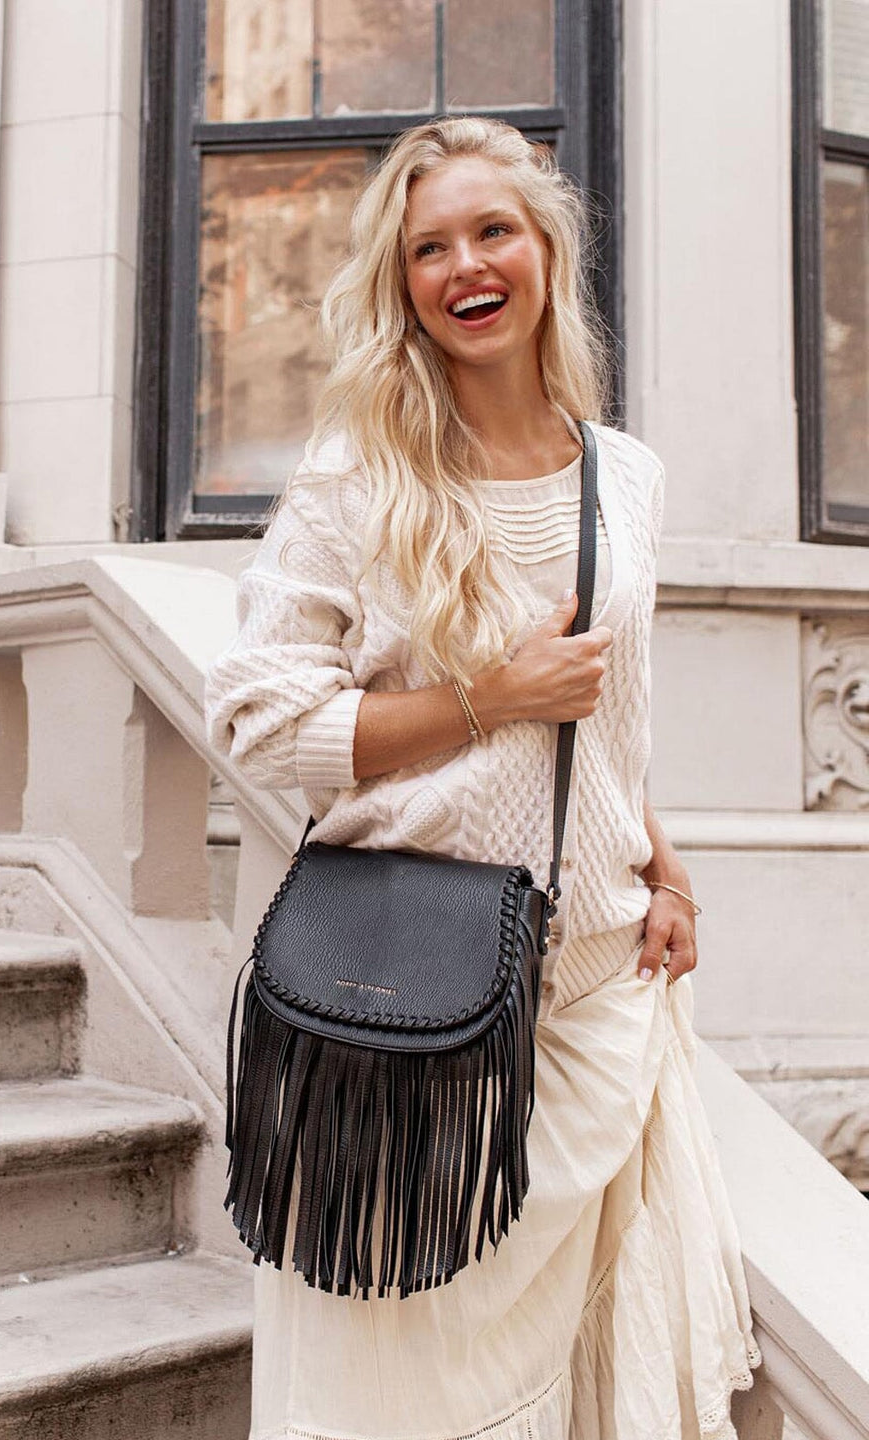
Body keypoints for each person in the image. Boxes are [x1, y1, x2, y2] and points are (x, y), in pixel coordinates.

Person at [205, 116, 760, 1440]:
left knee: (574, 1382)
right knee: (401, 1384)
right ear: (400, 285)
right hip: (414, 1016)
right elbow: (256, 716)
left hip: (591, 994)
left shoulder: (627, 479)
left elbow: (607, 717)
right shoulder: (361, 476)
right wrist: (477, 700)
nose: (465, 266)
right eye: (428, 248)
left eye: (491, 231)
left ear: (548, 246)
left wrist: (660, 860)